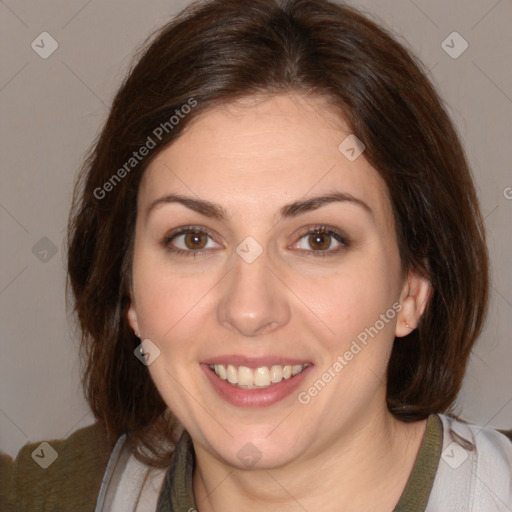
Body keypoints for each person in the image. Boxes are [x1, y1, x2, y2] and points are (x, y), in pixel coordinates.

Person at [1, 0, 511, 510]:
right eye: (194, 239)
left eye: (318, 239)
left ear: (412, 287)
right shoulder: (40, 494)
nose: (249, 310)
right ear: (128, 283)